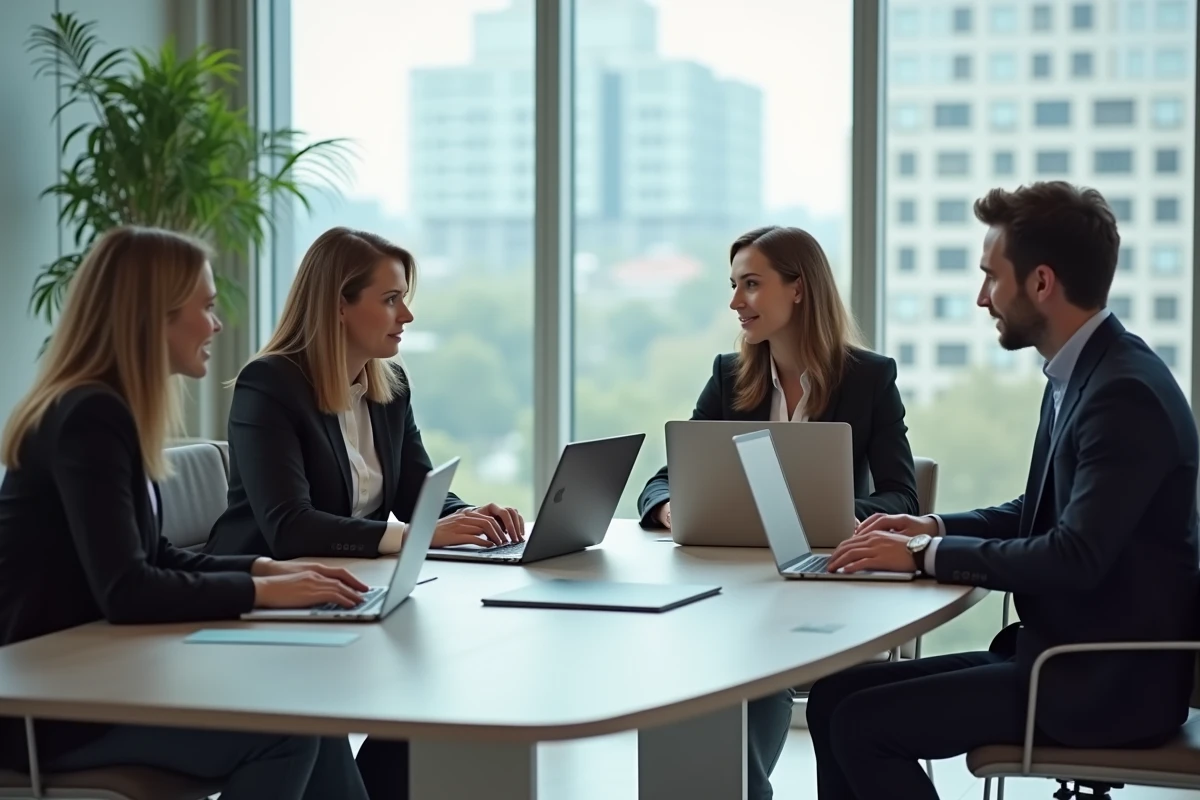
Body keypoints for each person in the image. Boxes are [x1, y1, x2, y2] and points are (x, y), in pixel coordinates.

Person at [810, 181, 1200, 800]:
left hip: (1105, 683)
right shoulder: (1081, 373)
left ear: (1041, 283)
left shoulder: (1124, 393)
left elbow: (1074, 555)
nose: (981, 297)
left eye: (992, 277)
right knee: (833, 698)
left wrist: (922, 559)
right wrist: (932, 528)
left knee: (863, 725)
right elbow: (1036, 513)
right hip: (1061, 657)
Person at [0, 227, 372, 799]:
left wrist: (261, 570)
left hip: (96, 682)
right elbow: (127, 589)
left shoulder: (107, 411)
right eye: (206, 306)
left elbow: (149, 555)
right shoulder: (88, 419)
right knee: (286, 733)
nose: (217, 325)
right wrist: (261, 594)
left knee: (306, 712)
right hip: (49, 710)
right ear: (154, 316)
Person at [204, 226, 525, 799]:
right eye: (391, 298)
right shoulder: (269, 384)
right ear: (339, 305)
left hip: (351, 593)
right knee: (351, 712)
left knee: (445, 686)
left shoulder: (389, 386)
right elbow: (289, 525)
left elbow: (418, 492)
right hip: (269, 605)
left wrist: (472, 517)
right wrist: (412, 537)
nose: (406, 315)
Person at [637, 226, 920, 800]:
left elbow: (902, 498)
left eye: (751, 285)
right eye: (734, 286)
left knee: (757, 661)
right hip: (741, 592)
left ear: (798, 289)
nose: (735, 302)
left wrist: (821, 514)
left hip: (833, 592)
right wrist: (669, 507)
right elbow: (666, 477)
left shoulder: (868, 379)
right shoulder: (729, 378)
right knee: (721, 666)